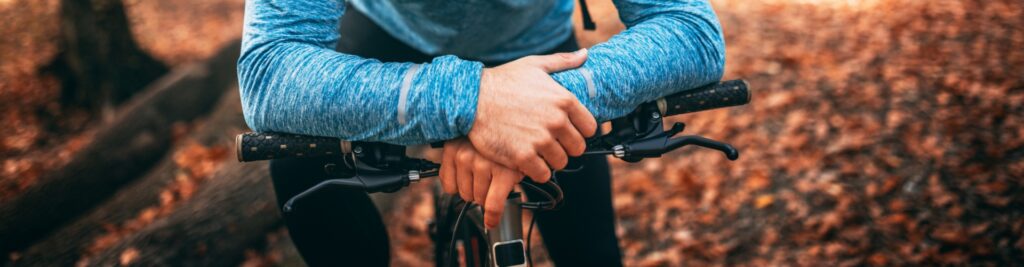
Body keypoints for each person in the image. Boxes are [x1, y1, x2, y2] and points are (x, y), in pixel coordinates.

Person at [238, 0, 725, 265]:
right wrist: (476, 101)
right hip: (384, 36)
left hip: (541, 54)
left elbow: (690, 29)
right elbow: (269, 70)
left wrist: (533, 104)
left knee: (591, 255)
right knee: (298, 161)